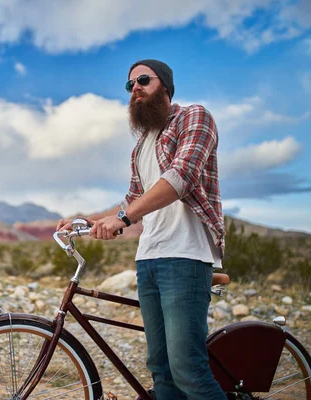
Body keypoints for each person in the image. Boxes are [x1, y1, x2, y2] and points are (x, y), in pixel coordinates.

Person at [56, 59, 227, 399]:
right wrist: (88, 220)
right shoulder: (142, 146)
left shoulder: (195, 116)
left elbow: (180, 178)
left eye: (143, 80)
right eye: (130, 85)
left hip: (186, 257)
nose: (135, 88)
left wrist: (123, 219)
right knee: (162, 372)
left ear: (164, 85)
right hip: (149, 259)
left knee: (188, 370)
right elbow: (132, 201)